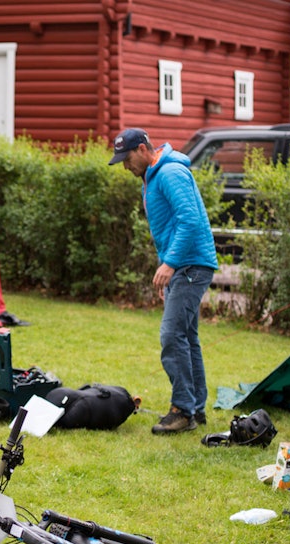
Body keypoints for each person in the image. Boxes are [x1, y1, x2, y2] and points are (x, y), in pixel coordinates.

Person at [109, 128, 218, 435]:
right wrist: (167, 270)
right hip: (182, 266)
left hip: (191, 265)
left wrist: (170, 264)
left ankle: (182, 410)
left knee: (171, 336)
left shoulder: (170, 173)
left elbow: (189, 220)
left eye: (127, 159)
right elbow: (171, 228)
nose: (125, 166)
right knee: (186, 337)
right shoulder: (152, 177)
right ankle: (195, 407)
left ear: (143, 150)